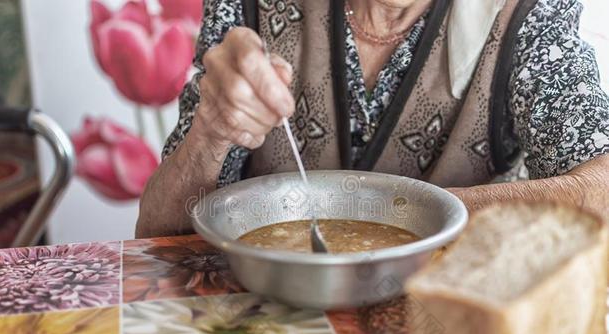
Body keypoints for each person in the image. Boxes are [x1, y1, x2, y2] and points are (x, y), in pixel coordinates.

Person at [136, 0, 609, 238]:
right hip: (276, 331)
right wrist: (210, 132)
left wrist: (399, 217)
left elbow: (601, 191)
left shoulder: (528, 13)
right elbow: (157, 238)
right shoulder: (251, 7)